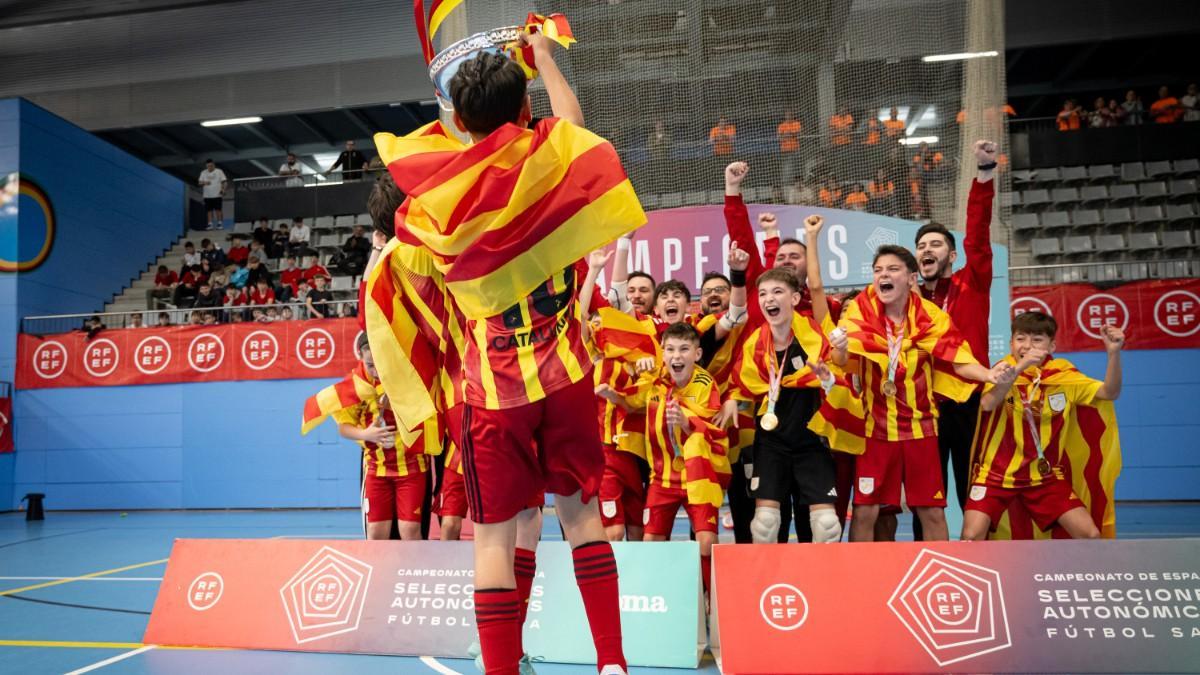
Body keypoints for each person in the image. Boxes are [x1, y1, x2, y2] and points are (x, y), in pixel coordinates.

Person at [373, 31, 639, 674]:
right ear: (527, 110)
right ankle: (612, 663)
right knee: (580, 516)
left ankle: (502, 668)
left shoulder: (434, 207)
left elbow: (403, 260)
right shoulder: (558, 165)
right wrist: (544, 58)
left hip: (493, 393)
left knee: (493, 535)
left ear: (459, 120)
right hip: (567, 376)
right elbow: (573, 125)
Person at [833, 245, 1008, 542]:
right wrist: (838, 349)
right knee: (865, 511)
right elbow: (841, 362)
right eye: (878, 270)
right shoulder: (861, 310)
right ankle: (858, 577)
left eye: (892, 269)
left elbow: (957, 358)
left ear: (911, 278)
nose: (883, 275)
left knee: (932, 511)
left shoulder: (929, 316)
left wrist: (988, 375)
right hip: (875, 432)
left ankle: (940, 574)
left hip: (921, 429)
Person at [904, 139, 997, 541]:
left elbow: (978, 235)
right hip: (924, 406)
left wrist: (985, 174)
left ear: (952, 255)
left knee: (972, 490)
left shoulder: (971, 282)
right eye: (921, 246)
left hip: (970, 401)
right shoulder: (909, 300)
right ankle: (924, 566)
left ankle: (988, 565)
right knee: (926, 498)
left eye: (936, 244)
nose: (927, 249)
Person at [962, 313, 1124, 541]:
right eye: (1021, 339)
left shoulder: (1064, 376)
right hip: (995, 475)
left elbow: (1110, 392)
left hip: (1044, 477)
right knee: (971, 536)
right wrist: (1020, 368)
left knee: (1090, 535)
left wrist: (1113, 353)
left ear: (1052, 345)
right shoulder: (1002, 370)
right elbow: (987, 404)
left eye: (1037, 339)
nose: (1027, 346)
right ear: (1011, 344)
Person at [598, 322, 729, 594]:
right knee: (651, 544)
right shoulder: (654, 381)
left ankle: (710, 599)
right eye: (669, 349)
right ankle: (656, 599)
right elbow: (630, 402)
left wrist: (686, 422)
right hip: (661, 479)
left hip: (698, 478)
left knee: (706, 541)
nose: (676, 356)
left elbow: (714, 427)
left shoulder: (706, 384)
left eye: (683, 349)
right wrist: (614, 396)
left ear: (697, 353)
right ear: (662, 353)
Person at [721, 260, 842, 545]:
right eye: (762, 294)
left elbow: (839, 381)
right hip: (771, 443)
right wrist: (732, 401)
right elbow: (741, 384)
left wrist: (826, 379)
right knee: (764, 525)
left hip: (812, 439)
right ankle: (769, 587)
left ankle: (824, 586)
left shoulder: (814, 337)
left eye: (777, 292)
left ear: (795, 298)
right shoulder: (755, 344)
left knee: (826, 526)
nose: (768, 299)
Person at [303, 334, 430, 540]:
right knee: (376, 532)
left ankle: (412, 572)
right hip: (376, 470)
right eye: (370, 364)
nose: (376, 370)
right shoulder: (354, 387)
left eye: (379, 363)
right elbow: (343, 428)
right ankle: (378, 572)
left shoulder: (407, 378)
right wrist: (366, 434)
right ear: (360, 357)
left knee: (410, 530)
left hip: (412, 467)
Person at [197, 159, 228, 230]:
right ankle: (210, 224)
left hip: (217, 195)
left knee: (218, 209)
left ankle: (219, 223)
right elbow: (199, 183)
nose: (209, 168)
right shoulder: (203, 172)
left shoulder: (219, 171)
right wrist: (205, 183)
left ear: (214, 165)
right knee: (209, 210)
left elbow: (225, 182)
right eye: (208, 166)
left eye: (211, 166)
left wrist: (223, 189)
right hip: (207, 195)